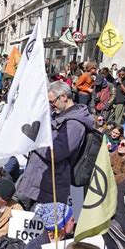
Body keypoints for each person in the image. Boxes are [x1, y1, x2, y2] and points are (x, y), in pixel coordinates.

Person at [16, 81, 93, 210]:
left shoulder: (74, 124)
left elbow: (55, 153)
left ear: (63, 97)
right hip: (36, 182)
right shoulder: (57, 116)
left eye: (52, 102)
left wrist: (35, 141)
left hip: (49, 187)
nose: (52, 106)